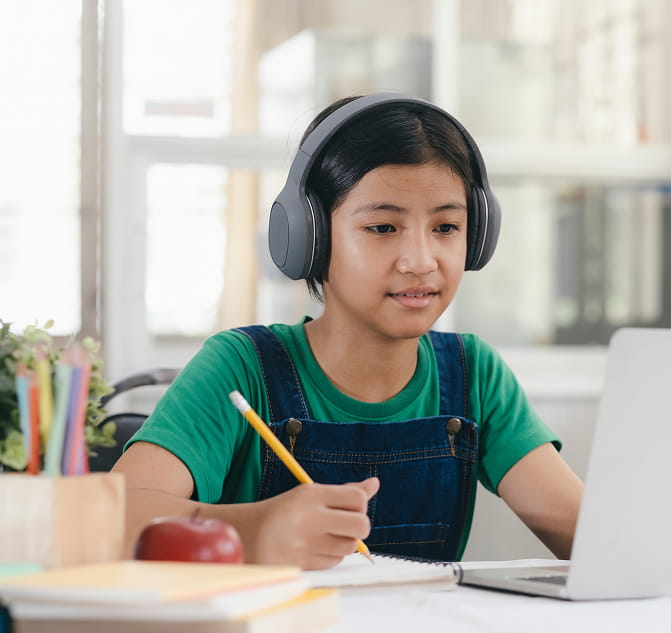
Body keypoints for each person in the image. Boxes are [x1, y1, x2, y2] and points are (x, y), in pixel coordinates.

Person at [113, 93, 583, 570]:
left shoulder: (474, 373)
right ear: (309, 236)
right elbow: (117, 516)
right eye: (382, 227)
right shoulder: (240, 366)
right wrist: (257, 530)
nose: (421, 261)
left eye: (446, 227)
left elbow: (587, 536)